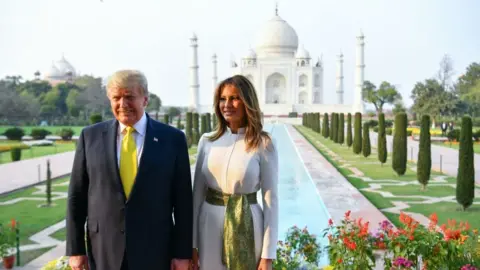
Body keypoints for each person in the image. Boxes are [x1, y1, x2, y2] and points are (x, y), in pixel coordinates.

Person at [65, 70, 193, 270]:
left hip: (155, 250)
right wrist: (75, 250)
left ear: (145, 99)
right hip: (104, 249)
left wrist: (182, 254)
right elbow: (76, 196)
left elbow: (184, 202)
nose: (123, 104)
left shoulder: (172, 139)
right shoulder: (90, 137)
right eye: (116, 98)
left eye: (129, 97)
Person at [191, 75, 279, 270]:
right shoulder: (208, 141)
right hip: (209, 224)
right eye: (223, 99)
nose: (227, 104)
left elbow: (271, 202)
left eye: (234, 98)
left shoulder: (262, 143)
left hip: (247, 224)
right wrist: (192, 244)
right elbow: (196, 196)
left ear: (248, 102)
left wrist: (267, 256)